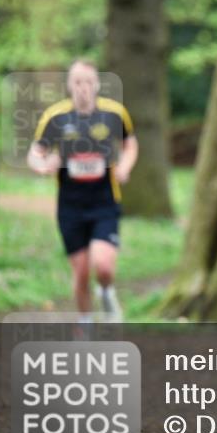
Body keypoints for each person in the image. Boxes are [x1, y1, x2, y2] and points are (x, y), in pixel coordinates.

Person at [28, 60, 138, 323]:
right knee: (81, 273)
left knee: (103, 266)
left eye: (88, 82)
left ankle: (107, 291)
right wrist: (43, 166)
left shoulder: (114, 113)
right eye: (77, 82)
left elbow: (130, 144)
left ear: (97, 84)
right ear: (69, 85)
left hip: (104, 202)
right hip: (70, 206)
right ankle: (86, 326)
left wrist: (124, 166)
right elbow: (35, 152)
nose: (83, 88)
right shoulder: (55, 116)